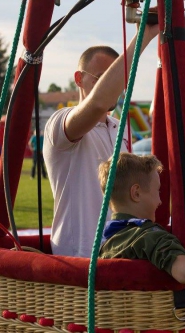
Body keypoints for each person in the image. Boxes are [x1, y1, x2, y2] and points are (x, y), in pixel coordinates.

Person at [43, 24, 159, 257]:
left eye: (117, 78)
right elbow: (97, 103)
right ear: (79, 79)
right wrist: (144, 35)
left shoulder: (120, 127)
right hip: (78, 253)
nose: (113, 87)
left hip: (117, 249)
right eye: (102, 78)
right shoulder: (60, 123)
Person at [98, 153, 185, 284]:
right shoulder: (149, 236)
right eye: (158, 191)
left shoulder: (103, 241)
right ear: (136, 193)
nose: (160, 201)